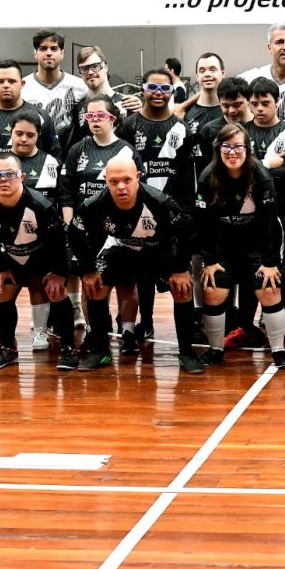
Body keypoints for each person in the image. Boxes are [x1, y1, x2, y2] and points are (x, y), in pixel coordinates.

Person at [69, 156, 201, 372]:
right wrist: (88, 270)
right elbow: (74, 235)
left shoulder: (160, 202)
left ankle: (187, 353)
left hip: (159, 252)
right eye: (114, 182)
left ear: (138, 177)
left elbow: (187, 233)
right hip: (121, 250)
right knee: (95, 286)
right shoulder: (92, 205)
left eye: (127, 180)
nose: (121, 186)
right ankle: (101, 351)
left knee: (183, 288)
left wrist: (180, 269)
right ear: (106, 181)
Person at [193, 124, 285, 369]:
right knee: (213, 290)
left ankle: (278, 351)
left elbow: (270, 222)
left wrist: (269, 263)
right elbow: (204, 224)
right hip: (224, 247)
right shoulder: (208, 177)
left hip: (257, 246)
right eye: (226, 146)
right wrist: (211, 260)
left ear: (248, 149)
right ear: (218, 149)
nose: (232, 152)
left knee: (269, 288)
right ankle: (216, 350)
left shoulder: (260, 176)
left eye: (238, 146)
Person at [0, 152, 77, 371]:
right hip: (11, 258)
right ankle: (8, 348)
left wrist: (58, 274)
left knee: (56, 292)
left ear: (22, 177)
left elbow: (60, 243)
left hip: (44, 258)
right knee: (2, 290)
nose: (3, 179)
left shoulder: (41, 206)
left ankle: (69, 348)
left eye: (10, 174)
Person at [116, 67, 197, 341]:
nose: (158, 93)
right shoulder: (129, 126)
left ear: (172, 92)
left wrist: (185, 215)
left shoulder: (181, 129)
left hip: (170, 213)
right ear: (144, 90)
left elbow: (187, 177)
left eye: (164, 88)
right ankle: (145, 322)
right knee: (142, 273)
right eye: (153, 87)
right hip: (137, 212)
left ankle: (185, 338)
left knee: (176, 273)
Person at [57, 94, 143, 351]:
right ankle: (96, 331)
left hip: (119, 229)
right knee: (90, 281)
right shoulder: (77, 149)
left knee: (126, 282)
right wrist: (72, 228)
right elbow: (66, 191)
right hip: (87, 229)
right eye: (89, 116)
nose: (95, 121)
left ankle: (128, 332)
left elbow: (138, 190)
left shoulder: (126, 150)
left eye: (100, 116)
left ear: (113, 119)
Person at [224, 76, 285, 351]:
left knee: (282, 272)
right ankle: (245, 327)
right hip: (246, 216)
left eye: (265, 103)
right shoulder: (241, 133)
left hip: (279, 214)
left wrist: (257, 169)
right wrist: (267, 166)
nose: (259, 108)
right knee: (249, 273)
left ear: (277, 102)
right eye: (254, 103)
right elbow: (232, 171)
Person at [0, 60, 59, 195]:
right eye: (1, 81)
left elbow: (55, 159)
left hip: (33, 197)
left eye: (12, 81)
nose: (6, 85)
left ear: (22, 83)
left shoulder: (41, 117)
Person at [61, 46, 142, 149]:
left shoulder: (127, 103)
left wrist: (142, 111)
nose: (90, 72)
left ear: (106, 67)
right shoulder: (78, 108)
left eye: (95, 66)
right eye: (84, 69)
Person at [21, 29, 89, 142]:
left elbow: (103, 101)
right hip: (33, 151)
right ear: (35, 53)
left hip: (68, 152)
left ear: (62, 53)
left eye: (54, 48)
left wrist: (127, 99)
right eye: (43, 48)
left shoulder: (79, 86)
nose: (48, 53)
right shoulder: (22, 87)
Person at [183, 52, 227, 176]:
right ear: (197, 76)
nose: (207, 74)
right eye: (202, 70)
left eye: (212, 69)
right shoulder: (185, 113)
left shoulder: (231, 112)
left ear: (223, 73)